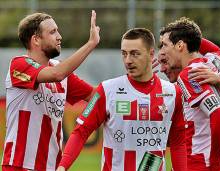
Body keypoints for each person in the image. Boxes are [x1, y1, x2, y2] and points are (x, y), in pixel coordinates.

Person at [57, 28, 187, 171]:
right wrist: (63, 167)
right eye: (124, 54)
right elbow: (81, 131)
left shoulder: (173, 93)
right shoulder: (107, 90)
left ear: (151, 55)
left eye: (135, 54)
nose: (128, 60)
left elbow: (178, 143)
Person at [1, 10, 100, 171]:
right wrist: (91, 44)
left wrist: (131, 81)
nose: (59, 36)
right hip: (19, 165)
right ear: (36, 40)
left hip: (52, 167)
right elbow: (57, 74)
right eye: (53, 32)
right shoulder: (18, 65)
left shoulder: (58, 69)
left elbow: (95, 96)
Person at [158, 17, 220, 171]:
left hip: (201, 162)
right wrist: (186, 34)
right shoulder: (213, 60)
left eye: (164, 45)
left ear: (180, 45)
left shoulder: (189, 74)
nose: (162, 51)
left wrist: (214, 164)